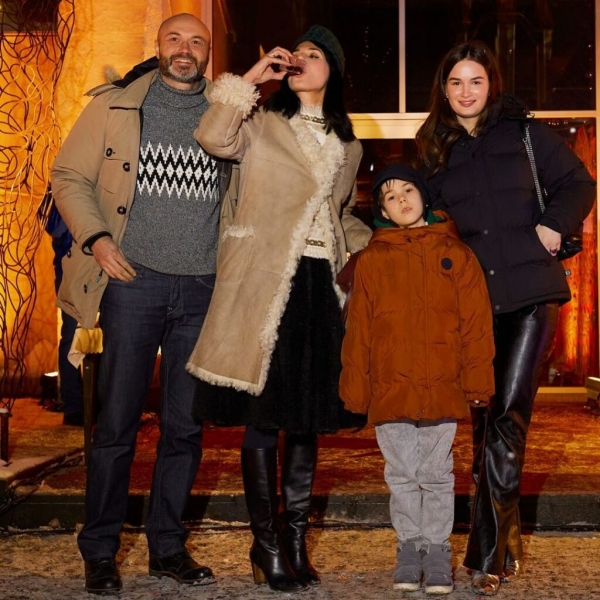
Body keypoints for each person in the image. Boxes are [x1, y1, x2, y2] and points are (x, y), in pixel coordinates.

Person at [50, 13, 238, 595]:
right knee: (116, 425)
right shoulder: (115, 105)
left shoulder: (228, 112)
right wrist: (98, 239)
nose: (185, 49)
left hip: (202, 288)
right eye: (174, 39)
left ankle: (167, 547)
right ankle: (100, 550)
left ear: (208, 53)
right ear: (157, 45)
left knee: (185, 427)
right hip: (132, 283)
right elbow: (68, 175)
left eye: (196, 41)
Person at [186, 25, 373, 593]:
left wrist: (375, 250)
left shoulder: (349, 144)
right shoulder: (261, 122)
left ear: (333, 70)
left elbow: (341, 214)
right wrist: (253, 78)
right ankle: (264, 544)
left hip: (319, 284)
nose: (301, 60)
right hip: (264, 279)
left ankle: (294, 541)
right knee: (263, 414)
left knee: (307, 417)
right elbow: (211, 135)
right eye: (298, 53)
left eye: (315, 55)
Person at [416, 40, 596, 596]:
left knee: (507, 419)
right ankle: (505, 541)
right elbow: (419, 216)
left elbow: (579, 183)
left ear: (491, 84)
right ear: (444, 90)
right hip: (472, 306)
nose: (466, 91)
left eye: (475, 80)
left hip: (531, 296)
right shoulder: (436, 149)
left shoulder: (524, 135)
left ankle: (487, 554)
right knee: (483, 422)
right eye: (455, 82)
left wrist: (554, 223)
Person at [339, 164, 495, 595]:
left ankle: (437, 549)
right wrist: (356, 388)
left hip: (442, 384)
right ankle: (409, 547)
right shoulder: (372, 260)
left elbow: (476, 325)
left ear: (424, 196)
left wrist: (477, 382)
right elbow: (359, 329)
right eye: (390, 196)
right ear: (382, 210)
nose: (401, 200)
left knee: (437, 472)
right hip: (390, 387)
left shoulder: (457, 254)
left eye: (408, 190)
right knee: (402, 472)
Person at [44, 194, 84, 426]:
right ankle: (74, 406)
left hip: (102, 270)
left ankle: (96, 401)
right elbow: (54, 227)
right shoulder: (58, 189)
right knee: (71, 338)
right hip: (71, 273)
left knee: (100, 338)